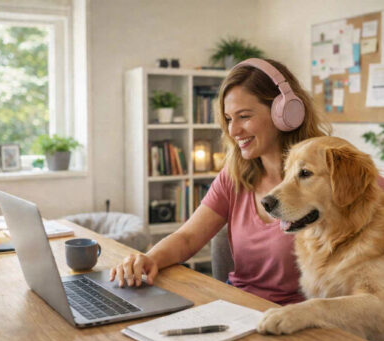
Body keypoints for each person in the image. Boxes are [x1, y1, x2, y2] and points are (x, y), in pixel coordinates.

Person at [110, 58, 331, 305]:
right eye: (228, 118)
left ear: (286, 112)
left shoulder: (329, 172)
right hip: (235, 308)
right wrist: (150, 258)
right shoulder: (234, 175)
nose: (233, 130)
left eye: (244, 116)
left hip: (298, 319)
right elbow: (188, 238)